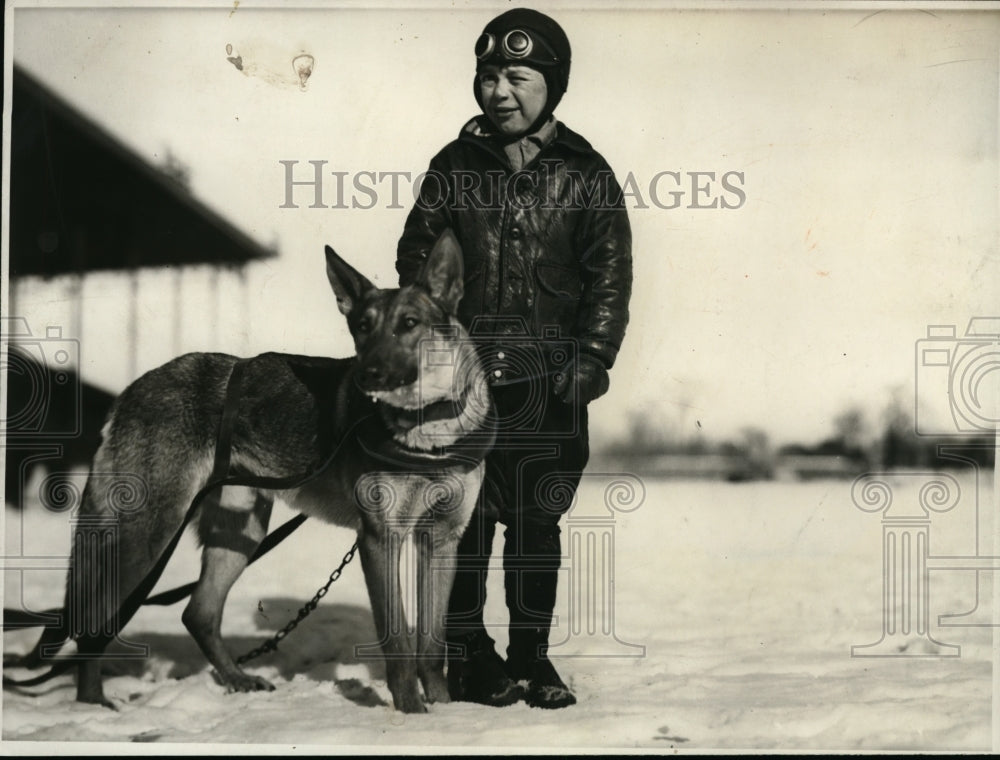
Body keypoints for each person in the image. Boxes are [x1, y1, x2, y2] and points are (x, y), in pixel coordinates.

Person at [396, 7, 632, 709]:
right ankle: (469, 654)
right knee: (462, 522)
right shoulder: (452, 168)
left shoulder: (587, 174)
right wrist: (436, 350)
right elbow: (416, 259)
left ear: (551, 86)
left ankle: (532, 655)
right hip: (465, 388)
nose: (498, 90)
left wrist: (592, 356)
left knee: (537, 526)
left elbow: (609, 277)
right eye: (487, 75)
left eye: (517, 76)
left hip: (550, 384)